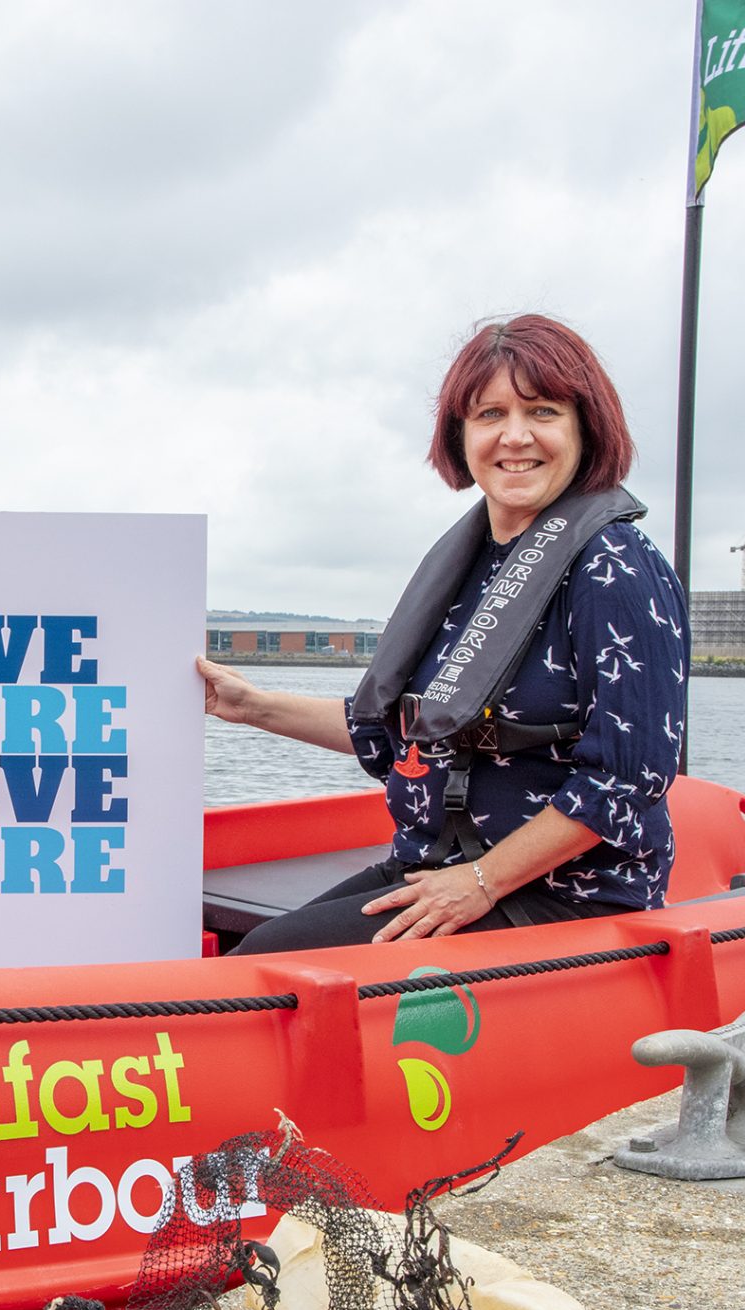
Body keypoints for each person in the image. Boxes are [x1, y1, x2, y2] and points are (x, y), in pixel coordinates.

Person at [200, 315, 687, 953]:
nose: (516, 435)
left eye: (542, 411)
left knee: (265, 968)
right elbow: (391, 731)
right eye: (490, 414)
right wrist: (249, 706)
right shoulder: (471, 564)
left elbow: (627, 779)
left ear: (584, 428)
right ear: (460, 437)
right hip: (436, 865)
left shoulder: (614, 565)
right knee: (250, 955)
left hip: (564, 895)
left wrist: (482, 881)